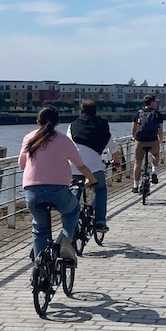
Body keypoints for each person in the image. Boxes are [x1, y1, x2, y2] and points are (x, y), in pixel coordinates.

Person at [19, 105, 96, 266]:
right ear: (58, 123)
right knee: (72, 210)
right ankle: (65, 242)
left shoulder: (29, 138)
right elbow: (80, 165)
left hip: (32, 191)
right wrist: (91, 178)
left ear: (38, 122)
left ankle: (39, 266)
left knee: (39, 227)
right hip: (58, 191)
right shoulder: (64, 140)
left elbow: (22, 165)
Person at [66, 100, 122, 233]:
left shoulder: (72, 126)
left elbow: (68, 145)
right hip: (94, 167)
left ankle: (71, 221)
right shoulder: (103, 126)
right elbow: (113, 149)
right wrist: (116, 162)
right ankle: (100, 222)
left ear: (80, 112)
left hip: (75, 166)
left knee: (75, 189)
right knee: (101, 189)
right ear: (95, 112)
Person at [131, 94, 164, 193]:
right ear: (152, 102)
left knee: (138, 162)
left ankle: (135, 186)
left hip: (140, 140)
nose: (156, 104)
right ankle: (154, 171)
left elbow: (133, 129)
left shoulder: (138, 113)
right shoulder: (157, 114)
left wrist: (133, 137)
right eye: (155, 102)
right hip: (152, 139)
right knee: (156, 154)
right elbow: (160, 130)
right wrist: (160, 140)